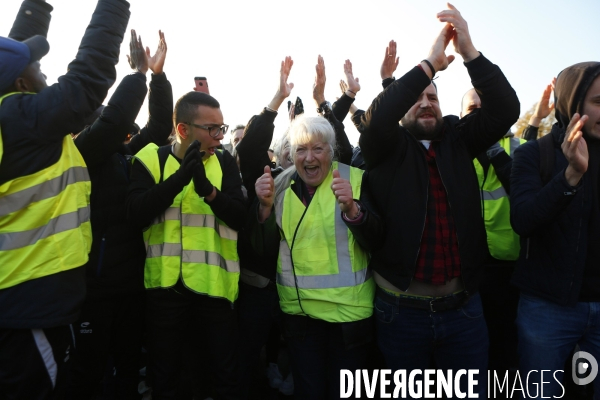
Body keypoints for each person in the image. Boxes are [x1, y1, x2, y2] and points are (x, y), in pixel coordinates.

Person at [357, 4, 520, 397]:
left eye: (432, 95)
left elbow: (506, 110)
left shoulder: (459, 140)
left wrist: (469, 53)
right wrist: (429, 64)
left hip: (464, 311)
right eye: (417, 96)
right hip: (402, 314)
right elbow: (378, 120)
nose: (426, 101)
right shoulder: (386, 147)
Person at [0, 0, 131, 397]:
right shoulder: (21, 120)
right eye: (35, 68)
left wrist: (36, 6)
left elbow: (11, 52)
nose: (45, 71)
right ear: (21, 86)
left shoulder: (12, 117)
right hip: (30, 303)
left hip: (24, 298)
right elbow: (87, 78)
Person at [66, 29, 173, 399]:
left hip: (132, 284)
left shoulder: (125, 157)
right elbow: (111, 124)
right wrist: (137, 75)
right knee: (90, 370)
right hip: (94, 289)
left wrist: (157, 77)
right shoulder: (81, 155)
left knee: (128, 364)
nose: (125, 135)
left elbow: (160, 128)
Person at [250, 114, 383, 399]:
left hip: (349, 319)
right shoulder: (279, 186)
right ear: (291, 154)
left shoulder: (357, 179)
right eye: (300, 149)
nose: (309, 158)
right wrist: (263, 209)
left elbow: (379, 241)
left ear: (331, 151)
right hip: (300, 318)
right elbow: (264, 250)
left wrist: (353, 210)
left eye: (317, 148)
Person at [126, 90, 246, 399]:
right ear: (183, 130)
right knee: (166, 378)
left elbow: (241, 218)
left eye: (222, 127)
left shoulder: (224, 162)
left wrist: (210, 193)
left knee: (224, 376)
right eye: (212, 129)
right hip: (164, 292)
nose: (220, 136)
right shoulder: (149, 159)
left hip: (214, 290)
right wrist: (179, 180)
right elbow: (135, 214)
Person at [510, 61, 600, 398]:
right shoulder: (534, 155)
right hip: (546, 309)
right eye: (598, 102)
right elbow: (523, 219)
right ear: (573, 104)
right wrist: (570, 177)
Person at [461, 88, 524, 385]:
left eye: (486, 107)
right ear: (462, 116)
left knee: (507, 349)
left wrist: (498, 155)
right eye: (472, 109)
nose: (480, 113)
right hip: (464, 272)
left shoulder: (523, 148)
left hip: (513, 271)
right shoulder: (454, 152)